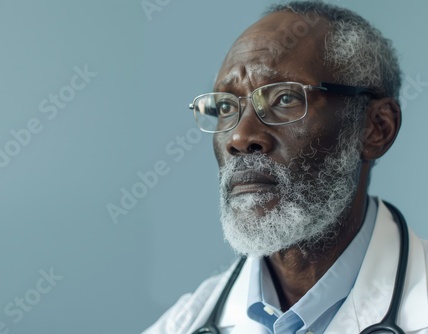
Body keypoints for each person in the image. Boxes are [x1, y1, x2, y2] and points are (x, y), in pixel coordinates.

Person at [144, 1, 428, 333]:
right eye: (224, 105)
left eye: (284, 98)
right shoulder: (180, 325)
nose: (239, 136)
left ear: (375, 128)